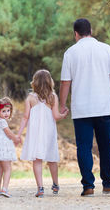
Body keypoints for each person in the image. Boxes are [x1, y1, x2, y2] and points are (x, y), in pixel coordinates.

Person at [59, 18, 110, 197]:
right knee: (105, 146)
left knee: (84, 147)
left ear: (75, 34)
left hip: (82, 109)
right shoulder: (107, 49)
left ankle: (88, 186)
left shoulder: (70, 53)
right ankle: (108, 183)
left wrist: (62, 105)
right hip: (104, 106)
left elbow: (65, 82)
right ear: (91, 30)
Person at [17, 69, 69, 198]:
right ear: (49, 82)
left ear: (34, 82)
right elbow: (56, 116)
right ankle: (55, 184)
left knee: (37, 159)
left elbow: (25, 117)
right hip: (48, 132)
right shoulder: (53, 97)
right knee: (51, 158)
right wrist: (63, 115)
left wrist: (18, 133)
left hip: (35, 132)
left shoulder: (30, 98)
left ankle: (40, 188)